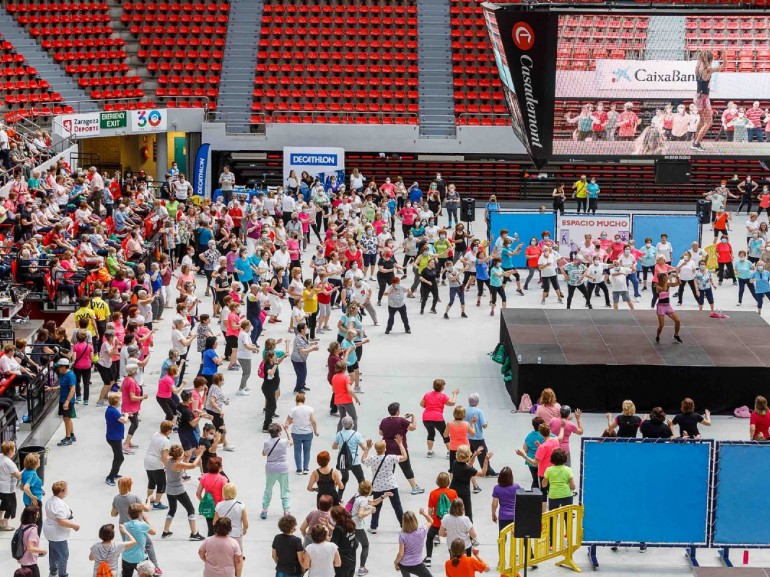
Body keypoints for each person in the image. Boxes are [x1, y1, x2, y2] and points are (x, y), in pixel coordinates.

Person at [361, 436, 407, 533]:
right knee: (397, 506)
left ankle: (373, 527)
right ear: (385, 449)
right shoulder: (390, 457)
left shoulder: (372, 458)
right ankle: (403, 526)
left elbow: (363, 460)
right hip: (391, 485)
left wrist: (367, 448)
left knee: (376, 506)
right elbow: (404, 457)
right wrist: (400, 444)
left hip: (377, 487)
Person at [161, 444, 206, 541]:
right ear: (178, 455)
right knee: (190, 509)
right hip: (179, 490)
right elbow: (193, 465)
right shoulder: (178, 464)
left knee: (172, 510)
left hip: (169, 490)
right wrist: (199, 455)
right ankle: (194, 534)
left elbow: (182, 466)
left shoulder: (169, 460)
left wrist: (187, 457)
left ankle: (165, 531)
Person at [43, 481, 80, 577]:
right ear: (60, 492)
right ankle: (63, 574)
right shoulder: (58, 504)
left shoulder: (51, 500)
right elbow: (61, 521)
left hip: (50, 531)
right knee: (64, 555)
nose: (67, 491)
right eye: (66, 490)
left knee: (54, 553)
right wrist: (74, 526)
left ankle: (53, 571)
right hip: (57, 534)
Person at [449, 444, 491, 522]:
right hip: (464, 492)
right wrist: (486, 460)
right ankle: (470, 530)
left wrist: (475, 455)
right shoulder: (468, 469)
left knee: (452, 510)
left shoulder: (455, 463)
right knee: (468, 513)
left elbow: (468, 465)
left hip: (453, 490)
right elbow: (482, 473)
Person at [692, 50, 725, 150]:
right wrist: (725, 55)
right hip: (703, 98)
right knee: (708, 123)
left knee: (702, 121)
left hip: (697, 95)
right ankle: (696, 143)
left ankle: (694, 141)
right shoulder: (707, 69)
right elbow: (722, 67)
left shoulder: (698, 67)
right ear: (710, 59)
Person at [261, 422, 293, 519]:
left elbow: (263, 453)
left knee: (268, 489)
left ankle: (265, 510)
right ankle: (286, 511)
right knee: (285, 490)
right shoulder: (284, 442)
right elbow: (291, 441)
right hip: (283, 468)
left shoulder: (266, 442)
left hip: (270, 468)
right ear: (279, 431)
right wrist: (287, 431)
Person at [332, 416, 367, 499]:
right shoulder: (356, 434)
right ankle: (363, 497)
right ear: (352, 424)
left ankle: (339, 497)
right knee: (361, 479)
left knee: (344, 479)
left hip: (343, 460)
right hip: (354, 461)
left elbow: (334, 447)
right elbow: (364, 447)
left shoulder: (339, 433)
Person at [286, 393, 320, 474]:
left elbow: (288, 422)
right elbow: (313, 421)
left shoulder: (293, 410)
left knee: (297, 451)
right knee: (307, 451)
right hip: (308, 433)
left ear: (296, 401)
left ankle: (299, 469)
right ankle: (306, 468)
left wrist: (287, 427)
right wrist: (315, 431)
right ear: (304, 400)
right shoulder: (309, 409)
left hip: (296, 433)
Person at [394, 510, 434, 577]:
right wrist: (423, 513)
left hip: (404, 565)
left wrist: (395, 562)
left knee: (405, 572)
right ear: (415, 520)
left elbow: (401, 554)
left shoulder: (402, 535)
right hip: (417, 565)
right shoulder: (422, 531)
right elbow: (431, 521)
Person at [122, 503, 155, 577]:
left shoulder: (125, 525)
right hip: (140, 558)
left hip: (126, 557)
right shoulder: (142, 525)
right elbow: (154, 532)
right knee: (146, 575)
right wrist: (147, 520)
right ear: (140, 514)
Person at [104, 392, 129, 486]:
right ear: (116, 401)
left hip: (114, 436)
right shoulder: (113, 411)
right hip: (114, 438)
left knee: (117, 457)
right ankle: (110, 477)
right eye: (120, 399)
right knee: (119, 458)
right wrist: (126, 415)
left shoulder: (112, 409)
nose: (121, 401)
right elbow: (124, 420)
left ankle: (114, 473)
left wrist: (123, 415)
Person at [16, 505, 46, 576]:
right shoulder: (33, 529)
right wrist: (43, 551)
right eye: (37, 514)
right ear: (33, 516)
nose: (38, 516)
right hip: (30, 562)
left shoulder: (23, 526)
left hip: (23, 559)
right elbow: (30, 548)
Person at [329, 506, 358, 577]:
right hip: (352, 560)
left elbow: (332, 546)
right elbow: (356, 543)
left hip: (341, 562)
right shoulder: (351, 524)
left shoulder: (338, 528)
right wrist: (328, 525)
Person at [655, 272, 682, 343]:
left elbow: (678, 283)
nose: (667, 278)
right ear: (662, 279)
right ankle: (657, 336)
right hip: (661, 307)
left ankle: (676, 335)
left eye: (666, 277)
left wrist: (677, 277)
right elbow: (663, 289)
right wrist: (667, 281)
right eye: (665, 278)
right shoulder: (657, 286)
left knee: (677, 321)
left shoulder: (667, 284)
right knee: (661, 325)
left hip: (668, 306)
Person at [491, 467, 520, 532]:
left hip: (503, 516)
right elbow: (522, 500)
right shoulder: (516, 487)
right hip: (515, 516)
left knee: (502, 537)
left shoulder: (497, 488)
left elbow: (494, 504)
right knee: (517, 535)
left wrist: (493, 514)